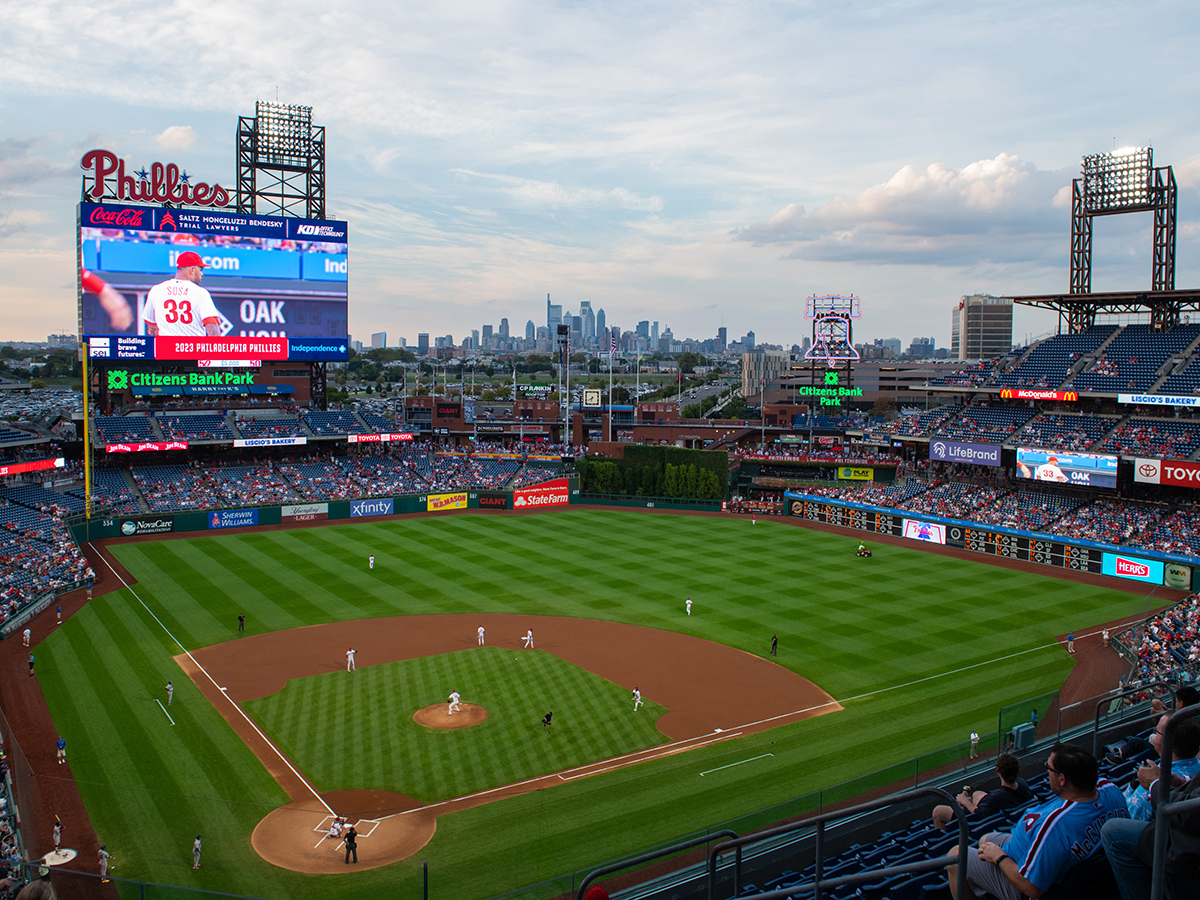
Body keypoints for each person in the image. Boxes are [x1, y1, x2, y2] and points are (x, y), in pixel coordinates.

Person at [945, 743, 1128, 900]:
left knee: (955, 856)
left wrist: (999, 858)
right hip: (1035, 851)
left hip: (1021, 881)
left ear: (1062, 779)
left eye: (1048, 768)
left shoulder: (1056, 826)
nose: (1046, 772)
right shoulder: (1110, 788)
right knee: (985, 839)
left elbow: (1032, 888)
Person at [1101, 742, 1200, 900]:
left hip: (1188, 849)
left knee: (1112, 832)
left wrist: (1155, 784)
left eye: (1158, 733)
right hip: (1187, 834)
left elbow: (1189, 814)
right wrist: (1183, 783)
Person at [1123, 715, 1200, 821]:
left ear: (1167, 741)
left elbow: (1125, 816)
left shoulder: (1148, 791)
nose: (1154, 736)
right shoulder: (1197, 769)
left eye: (1157, 732)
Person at [932, 753, 1034, 830]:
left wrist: (965, 801)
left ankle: (945, 837)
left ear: (997, 770)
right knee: (977, 794)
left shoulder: (996, 798)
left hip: (982, 822)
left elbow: (978, 814)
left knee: (938, 811)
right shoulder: (1022, 783)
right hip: (1011, 811)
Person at [143, 251, 221, 338]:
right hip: (192, 348)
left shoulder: (156, 290)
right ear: (192, 270)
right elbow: (213, 328)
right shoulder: (200, 293)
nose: (201, 274)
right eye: (200, 270)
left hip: (166, 348)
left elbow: (151, 325)